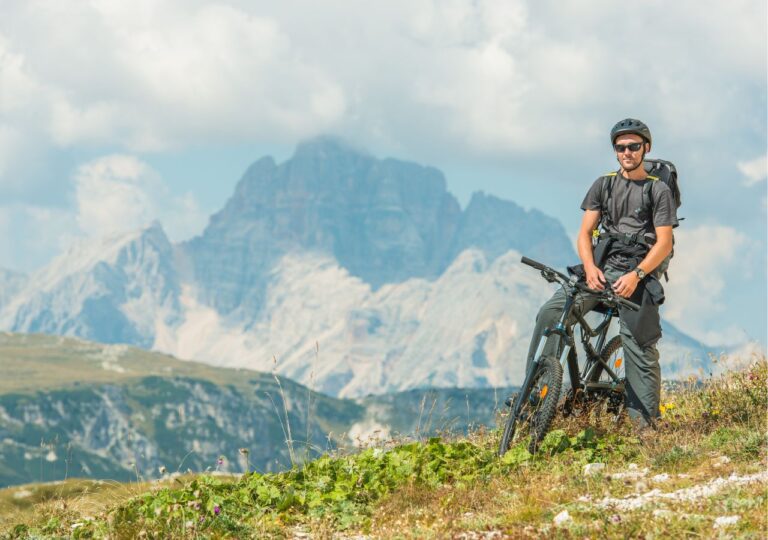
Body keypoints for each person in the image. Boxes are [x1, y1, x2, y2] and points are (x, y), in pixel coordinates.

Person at [525, 118, 677, 432]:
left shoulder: (658, 190)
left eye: (633, 146)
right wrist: (590, 267)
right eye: (620, 148)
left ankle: (646, 431)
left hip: (638, 273)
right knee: (551, 313)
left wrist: (636, 275)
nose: (627, 152)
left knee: (640, 345)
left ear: (646, 148)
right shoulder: (603, 184)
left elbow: (664, 243)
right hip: (600, 268)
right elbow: (584, 233)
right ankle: (536, 399)